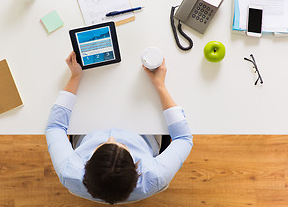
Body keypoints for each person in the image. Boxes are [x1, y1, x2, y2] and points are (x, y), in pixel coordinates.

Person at [45, 52, 193, 204]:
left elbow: (55, 127)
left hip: (88, 126)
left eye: (102, 145)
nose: (111, 137)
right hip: (143, 132)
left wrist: (74, 77)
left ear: (86, 165)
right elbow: (183, 138)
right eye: (121, 146)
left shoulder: (69, 171)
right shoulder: (155, 175)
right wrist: (160, 85)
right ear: (137, 169)